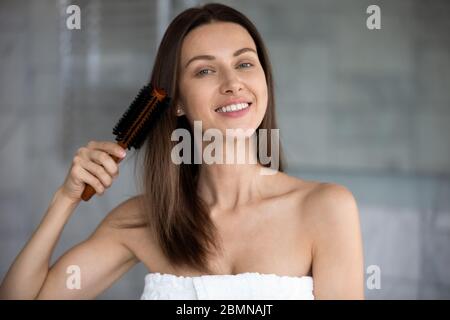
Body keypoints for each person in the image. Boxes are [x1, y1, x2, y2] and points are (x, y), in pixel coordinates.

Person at [0, 3, 364, 300]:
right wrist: (65, 198)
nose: (233, 82)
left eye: (244, 63)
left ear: (263, 80)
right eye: (205, 70)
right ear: (175, 103)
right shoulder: (146, 220)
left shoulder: (325, 209)